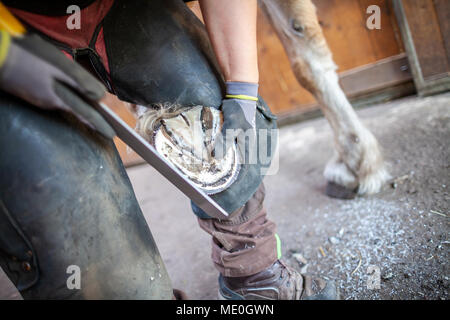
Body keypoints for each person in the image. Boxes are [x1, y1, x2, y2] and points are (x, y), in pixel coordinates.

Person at [0, 0, 338, 300]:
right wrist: (6, 57)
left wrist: (243, 89)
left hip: (118, 7)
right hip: (12, 33)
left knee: (218, 115)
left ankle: (255, 275)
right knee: (104, 271)